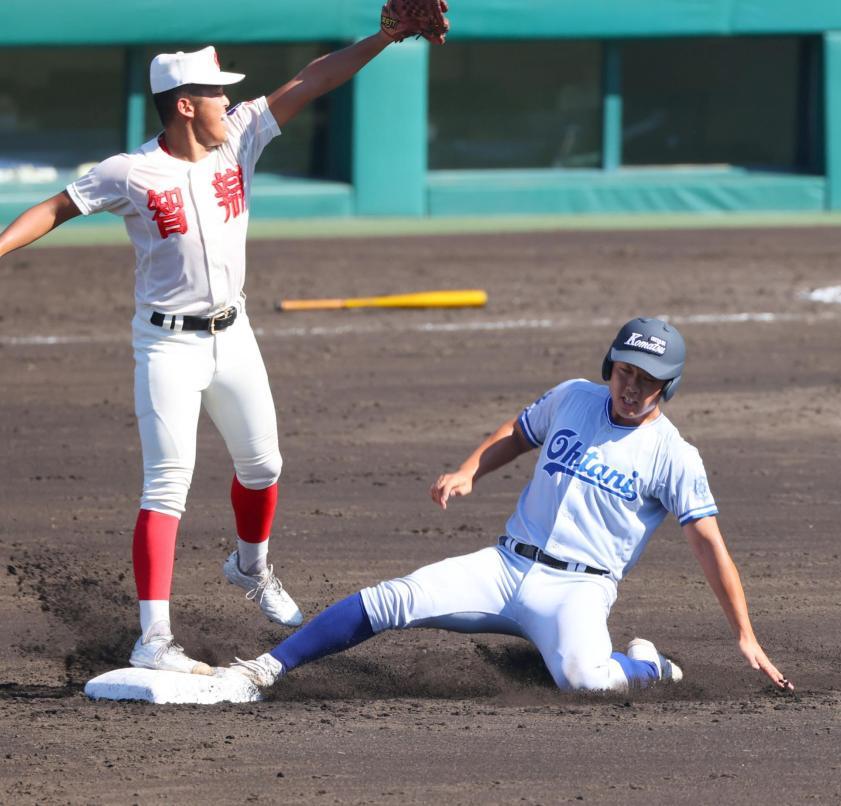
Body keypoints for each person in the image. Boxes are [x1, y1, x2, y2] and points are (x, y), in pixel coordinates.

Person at [0, 17, 442, 675]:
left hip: (235, 338)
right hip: (166, 348)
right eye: (213, 93)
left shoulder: (240, 135)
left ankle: (250, 567)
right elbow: (58, 206)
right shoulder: (132, 171)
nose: (227, 102)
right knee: (165, 488)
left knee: (264, 468)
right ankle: (152, 639)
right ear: (184, 105)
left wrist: (382, 39)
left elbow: (312, 79)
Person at [228, 318, 794, 693]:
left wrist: (744, 633)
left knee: (588, 685)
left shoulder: (675, 456)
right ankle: (267, 668)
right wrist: (471, 469)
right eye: (625, 371)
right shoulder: (574, 397)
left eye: (647, 381)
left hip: (579, 589)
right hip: (504, 566)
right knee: (391, 598)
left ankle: (648, 665)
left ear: (667, 388)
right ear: (609, 366)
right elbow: (519, 432)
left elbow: (710, 547)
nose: (631, 387)